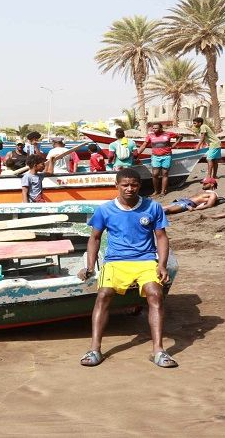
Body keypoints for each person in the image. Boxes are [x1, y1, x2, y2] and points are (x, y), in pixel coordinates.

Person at [78, 168, 176, 368]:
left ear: (139, 185)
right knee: (104, 294)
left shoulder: (153, 207)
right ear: (117, 186)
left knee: (155, 294)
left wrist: (162, 265)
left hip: (146, 260)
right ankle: (95, 349)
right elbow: (94, 238)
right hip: (115, 261)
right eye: (125, 185)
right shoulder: (105, 210)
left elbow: (161, 237)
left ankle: (158, 350)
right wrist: (89, 266)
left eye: (134, 185)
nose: (129, 189)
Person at [136, 123, 183, 196]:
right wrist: (137, 154)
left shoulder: (168, 134)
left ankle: (163, 191)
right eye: (153, 128)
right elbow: (144, 145)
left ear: (161, 128)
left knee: (165, 174)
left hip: (166, 156)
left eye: (156, 128)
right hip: (155, 157)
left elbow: (180, 136)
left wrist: (174, 145)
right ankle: (156, 191)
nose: (154, 130)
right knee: (155, 174)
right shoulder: (150, 136)